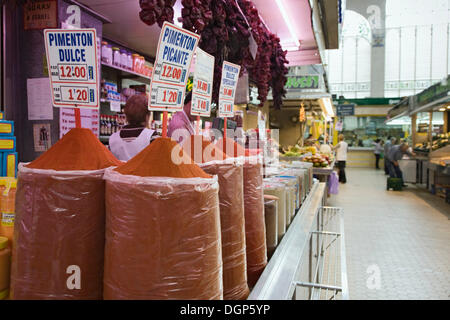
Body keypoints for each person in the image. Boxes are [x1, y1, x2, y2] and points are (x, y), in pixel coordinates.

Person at [109, 94, 158, 161]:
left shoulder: (113, 138)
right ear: (147, 116)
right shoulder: (151, 136)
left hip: (118, 171)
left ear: (126, 115)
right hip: (143, 171)